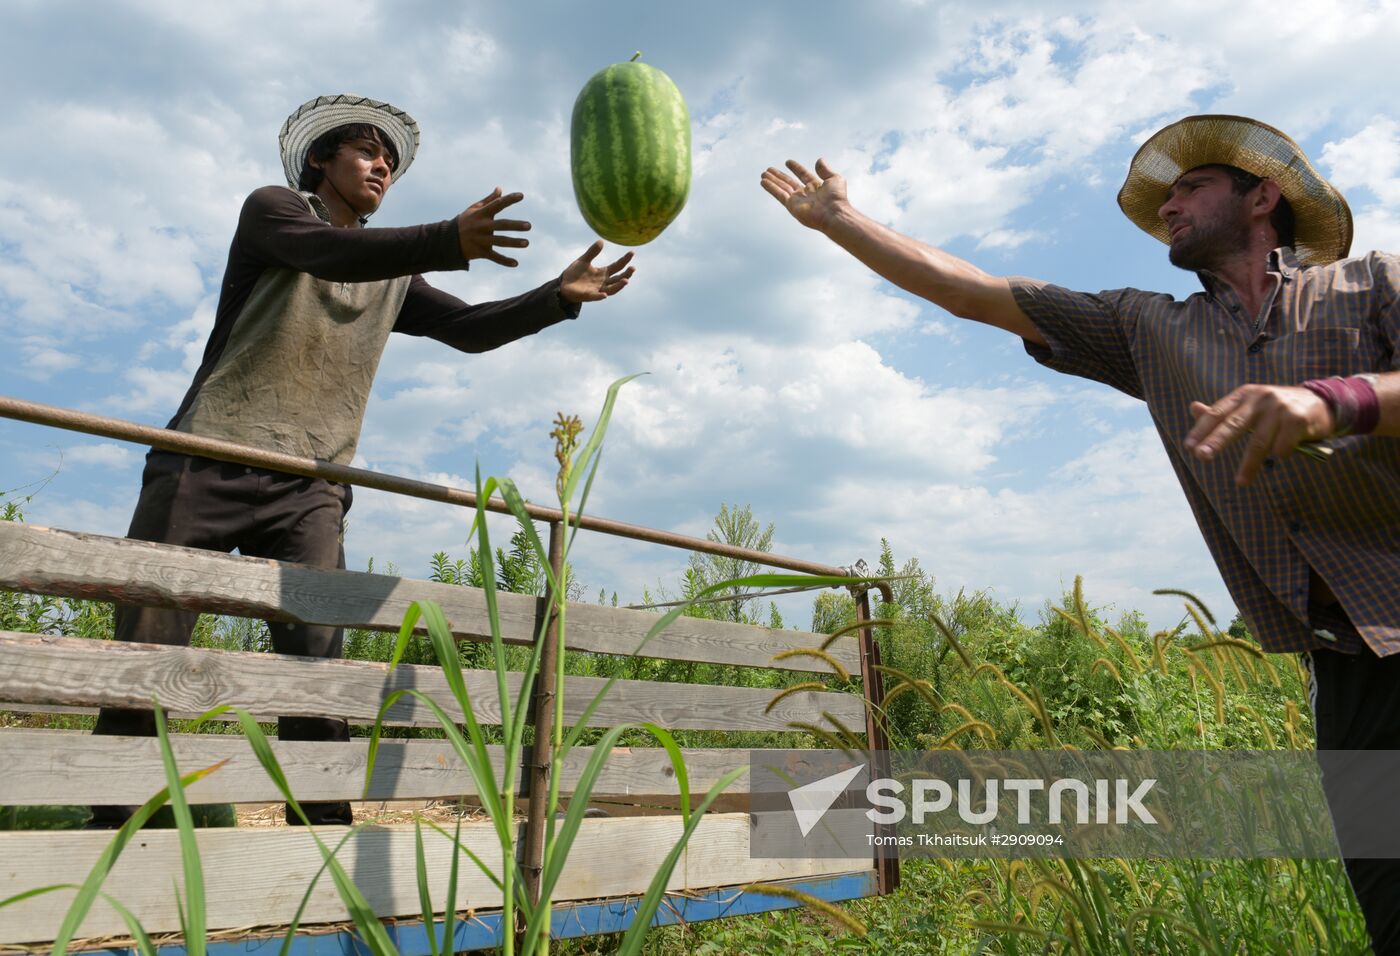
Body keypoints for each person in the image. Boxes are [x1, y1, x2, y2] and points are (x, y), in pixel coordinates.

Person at [763, 114, 1399, 951]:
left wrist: (1331, 401)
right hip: (1348, 669)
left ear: (1263, 197)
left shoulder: (1372, 285)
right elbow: (973, 291)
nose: (1169, 206)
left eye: (1191, 188)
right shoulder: (1149, 331)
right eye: (1164, 195)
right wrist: (841, 221)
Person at [91, 93, 635, 829]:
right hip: (203, 462)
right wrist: (446, 236)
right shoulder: (274, 213)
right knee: (150, 658)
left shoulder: (393, 273)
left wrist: (555, 298)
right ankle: (121, 830)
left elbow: (468, 329)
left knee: (320, 668)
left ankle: (320, 839)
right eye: (367, 152)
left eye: (391, 161)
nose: (383, 166)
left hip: (312, 485)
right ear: (322, 160)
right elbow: (330, 251)